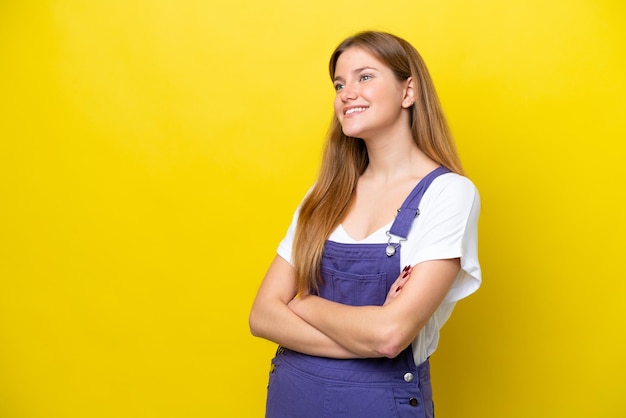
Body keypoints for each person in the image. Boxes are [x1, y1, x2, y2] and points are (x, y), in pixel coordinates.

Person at [249, 30, 481, 418]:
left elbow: (391, 336)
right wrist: (366, 337)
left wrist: (304, 302)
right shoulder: (322, 196)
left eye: (365, 77)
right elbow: (262, 315)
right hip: (293, 398)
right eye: (339, 83)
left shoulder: (449, 194)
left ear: (408, 92)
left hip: (380, 404)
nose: (346, 93)